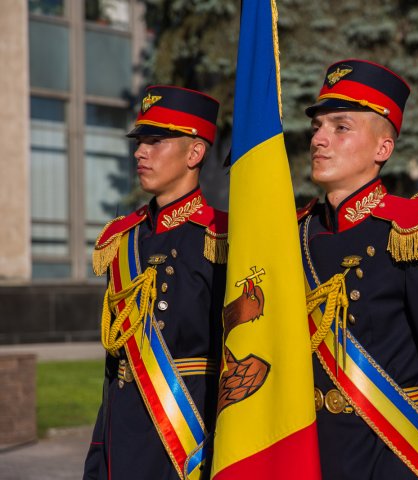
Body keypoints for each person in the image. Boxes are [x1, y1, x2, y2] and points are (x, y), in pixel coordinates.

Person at [299, 58, 418, 479]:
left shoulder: (413, 231)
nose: (319, 140)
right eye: (317, 128)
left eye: (340, 127)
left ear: (383, 148)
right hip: (307, 459)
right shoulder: (296, 232)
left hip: (392, 459)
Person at [83, 85, 227, 480]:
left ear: (195, 153)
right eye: (140, 142)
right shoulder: (123, 239)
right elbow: (114, 371)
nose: (139, 152)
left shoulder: (222, 237)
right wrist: (99, 457)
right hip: (121, 441)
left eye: (156, 141)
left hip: (186, 442)